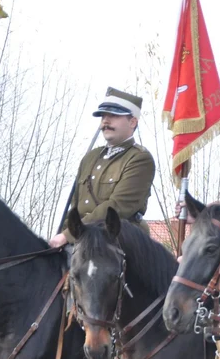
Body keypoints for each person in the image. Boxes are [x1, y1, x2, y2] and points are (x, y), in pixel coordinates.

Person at [50, 87, 155, 247]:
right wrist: (63, 236)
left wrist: (68, 235)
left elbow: (118, 207)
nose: (105, 121)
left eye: (113, 115)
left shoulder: (139, 158)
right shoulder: (91, 156)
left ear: (132, 122)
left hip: (116, 241)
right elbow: (75, 206)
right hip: (81, 239)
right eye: (103, 116)